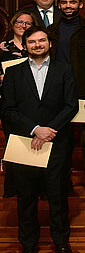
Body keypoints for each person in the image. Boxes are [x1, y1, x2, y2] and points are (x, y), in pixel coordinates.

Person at [1, 26, 78, 253]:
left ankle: (61, 243)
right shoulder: (13, 72)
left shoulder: (64, 70)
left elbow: (71, 106)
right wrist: (35, 129)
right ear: (25, 46)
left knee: (57, 197)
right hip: (25, 143)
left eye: (41, 40)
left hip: (56, 143)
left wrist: (48, 131)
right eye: (32, 42)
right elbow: (7, 109)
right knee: (26, 198)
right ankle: (28, 245)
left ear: (50, 43)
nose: (37, 45)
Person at [48, 0, 85, 199]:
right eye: (64, 2)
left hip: (84, 91)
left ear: (80, 5)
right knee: (61, 138)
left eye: (72, 2)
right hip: (57, 92)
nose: (68, 6)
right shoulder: (51, 31)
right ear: (59, 5)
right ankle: (63, 180)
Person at [0, 11, 34, 199]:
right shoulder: (2, 47)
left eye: (27, 23)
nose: (23, 25)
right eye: (19, 22)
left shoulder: (36, 45)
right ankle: (14, 186)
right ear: (13, 24)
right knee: (13, 142)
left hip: (33, 102)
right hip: (10, 102)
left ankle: (35, 186)